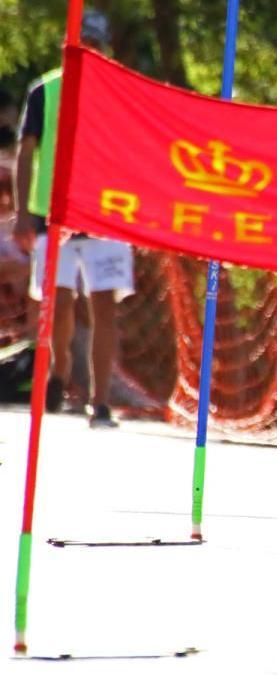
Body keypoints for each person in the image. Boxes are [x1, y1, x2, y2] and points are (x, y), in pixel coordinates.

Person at [13, 9, 133, 428]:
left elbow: (136, 155)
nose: (89, 52)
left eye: (96, 45)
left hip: (105, 217)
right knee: (58, 305)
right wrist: (23, 211)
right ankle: (58, 376)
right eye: (83, 44)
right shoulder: (45, 91)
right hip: (54, 215)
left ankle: (101, 402)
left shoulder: (121, 94)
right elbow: (28, 152)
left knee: (104, 307)